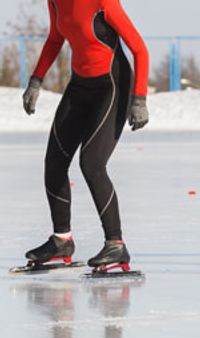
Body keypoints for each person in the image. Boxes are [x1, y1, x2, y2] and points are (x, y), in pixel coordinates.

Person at [22, 0, 150, 273]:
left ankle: (116, 244)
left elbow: (139, 49)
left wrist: (139, 99)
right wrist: (36, 80)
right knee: (55, 160)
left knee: (92, 164)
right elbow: (56, 37)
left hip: (112, 83)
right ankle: (61, 240)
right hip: (80, 85)